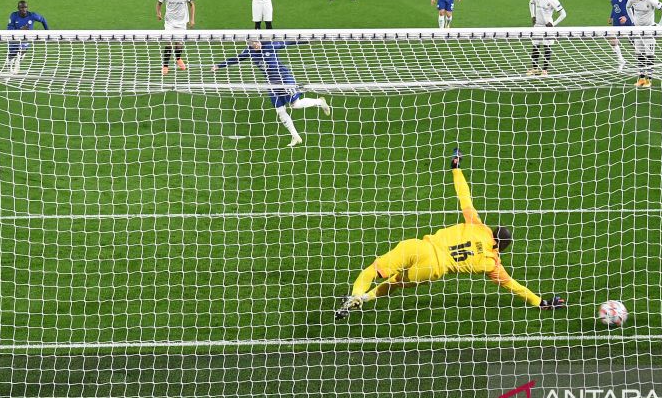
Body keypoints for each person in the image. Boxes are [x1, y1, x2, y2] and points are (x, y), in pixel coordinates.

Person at [334, 150, 565, 320]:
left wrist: (456, 167)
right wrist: (540, 301)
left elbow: (465, 196)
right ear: (502, 248)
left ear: (493, 232)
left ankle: (354, 296)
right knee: (394, 283)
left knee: (374, 270)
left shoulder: (479, 227)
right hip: (433, 270)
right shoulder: (492, 263)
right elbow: (513, 286)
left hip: (422, 247)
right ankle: (364, 300)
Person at [211, 38, 330, 148]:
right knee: (280, 111)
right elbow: (236, 59)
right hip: (271, 83)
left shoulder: (271, 45)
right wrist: (218, 66)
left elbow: (289, 42)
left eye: (257, 42)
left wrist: (307, 41)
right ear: (249, 44)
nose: (256, 45)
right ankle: (295, 136)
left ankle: (320, 102)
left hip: (284, 78)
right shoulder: (249, 51)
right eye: (253, 43)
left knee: (295, 105)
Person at [625, 0, 662, 87]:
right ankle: (641, 78)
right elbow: (627, 8)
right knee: (639, 54)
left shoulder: (651, 0)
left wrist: (659, 26)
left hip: (649, 31)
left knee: (649, 55)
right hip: (638, 31)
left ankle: (649, 80)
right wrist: (632, 21)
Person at [156, 0, 195, 75]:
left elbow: (192, 5)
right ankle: (165, 66)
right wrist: (158, 13)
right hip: (169, 23)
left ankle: (178, 59)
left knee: (179, 44)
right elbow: (159, 4)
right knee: (168, 43)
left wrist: (192, 20)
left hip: (182, 23)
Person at [527, 0, 566, 75]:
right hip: (537, 26)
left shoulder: (553, 0)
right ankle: (535, 68)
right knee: (535, 47)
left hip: (547, 28)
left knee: (547, 47)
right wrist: (532, 15)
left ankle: (545, 70)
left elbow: (563, 14)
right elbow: (531, 3)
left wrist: (553, 24)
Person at [6, 0, 48, 74]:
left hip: (25, 39)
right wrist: (20, 30)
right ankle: (9, 67)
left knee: (22, 52)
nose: (24, 9)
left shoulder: (32, 15)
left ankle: (17, 64)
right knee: (12, 55)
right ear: (18, 8)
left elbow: (43, 20)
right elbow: (9, 29)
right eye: (21, 7)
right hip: (14, 38)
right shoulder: (13, 15)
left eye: (25, 7)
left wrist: (48, 31)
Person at [607, 0, 633, 72]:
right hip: (617, 23)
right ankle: (621, 60)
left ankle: (643, 58)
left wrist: (626, 17)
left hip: (628, 24)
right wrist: (611, 16)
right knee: (612, 38)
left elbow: (633, 9)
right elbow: (614, 7)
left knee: (634, 44)